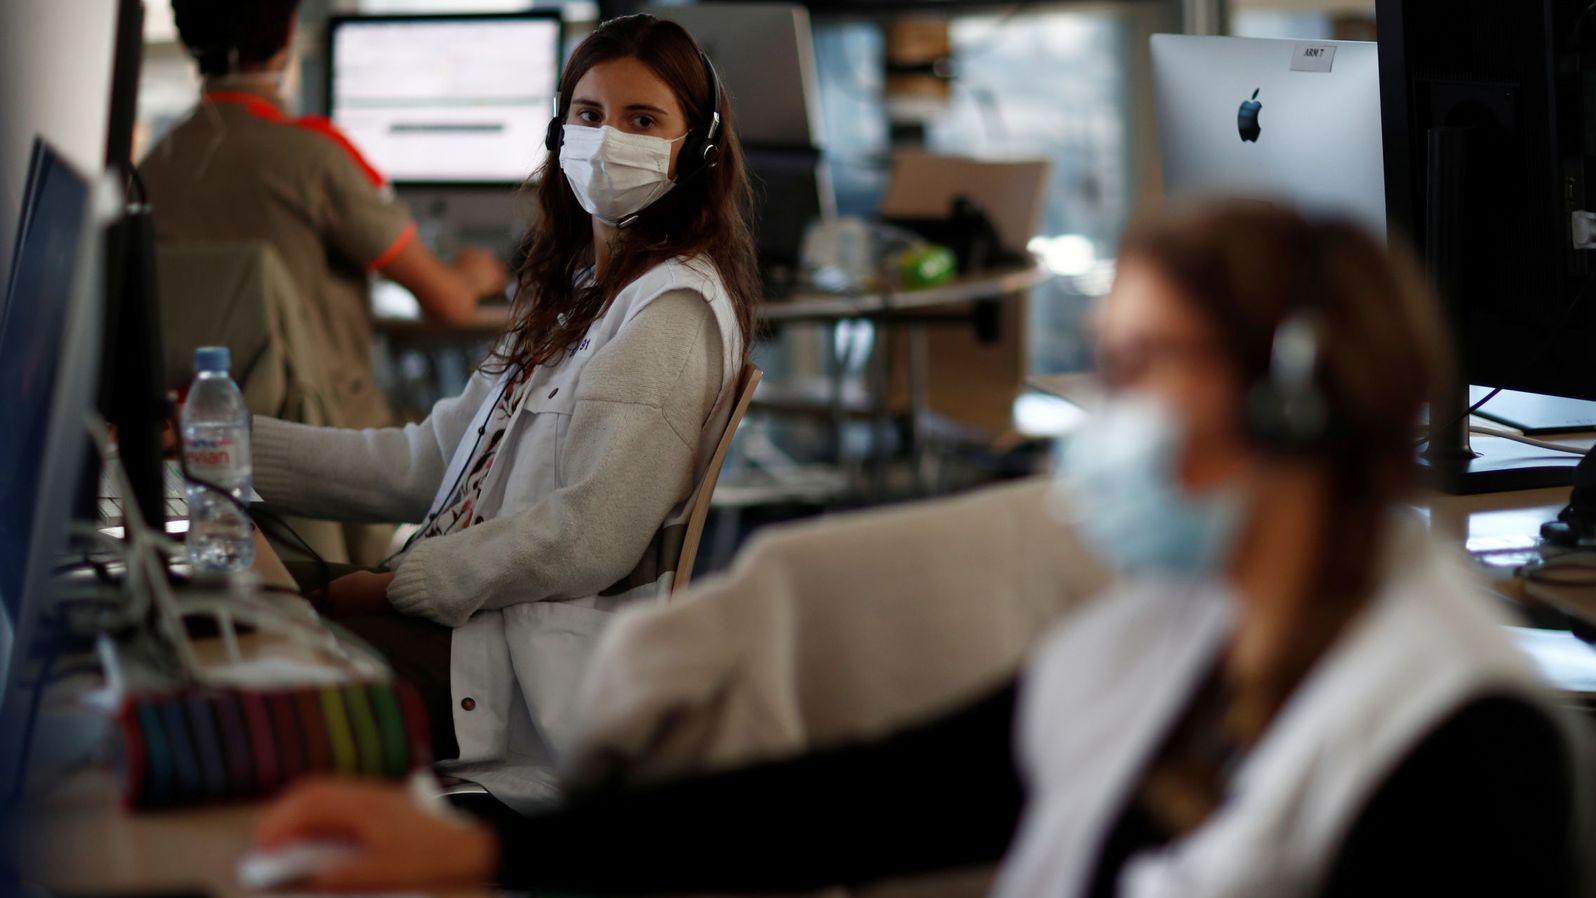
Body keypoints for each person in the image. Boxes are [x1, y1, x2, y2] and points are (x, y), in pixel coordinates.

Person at [255, 201, 1586, 897]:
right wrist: (492, 856)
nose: (1102, 420)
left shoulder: (1460, 742)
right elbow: (869, 797)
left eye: (1139, 370)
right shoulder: (1172, 627)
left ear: (1289, 405)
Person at [240, 14, 760, 816]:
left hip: (509, 669)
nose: (605, 139)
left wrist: (391, 588)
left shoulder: (672, 312)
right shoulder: (578, 291)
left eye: (642, 120)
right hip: (462, 628)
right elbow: (426, 463)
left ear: (694, 151)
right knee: (238, 611)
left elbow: (587, 538)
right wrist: (227, 449)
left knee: (244, 689)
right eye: (588, 115)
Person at [141, 0, 510, 437]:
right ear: (288, 33)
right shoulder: (315, 159)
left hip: (205, 442)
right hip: (327, 439)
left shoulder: (151, 169)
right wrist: (473, 274)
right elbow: (449, 304)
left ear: (188, 39)